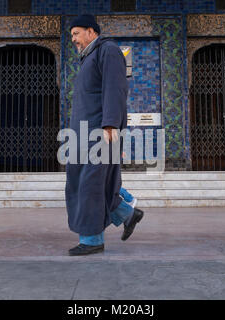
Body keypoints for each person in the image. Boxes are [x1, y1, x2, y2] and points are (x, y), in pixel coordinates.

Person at [66, 14, 144, 256]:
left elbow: (115, 90)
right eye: (71, 36)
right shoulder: (88, 58)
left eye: (76, 33)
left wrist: (111, 126)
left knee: (91, 186)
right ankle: (127, 213)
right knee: (80, 183)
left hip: (99, 133)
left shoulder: (107, 51)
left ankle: (91, 240)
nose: (74, 39)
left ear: (91, 31)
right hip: (82, 136)